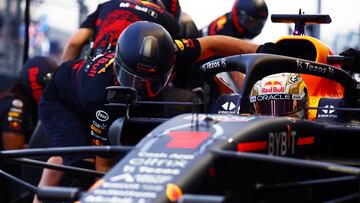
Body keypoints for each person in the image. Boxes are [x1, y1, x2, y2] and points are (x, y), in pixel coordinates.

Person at [34, 21, 265, 202]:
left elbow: (214, 44)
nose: (140, 88)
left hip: (108, 96)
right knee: (83, 170)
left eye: (149, 81)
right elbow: (103, 166)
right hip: (62, 99)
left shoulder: (171, 50)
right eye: (133, 79)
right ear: (118, 63)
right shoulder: (101, 98)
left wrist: (265, 50)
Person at [61, 0, 181, 63]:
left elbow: (74, 43)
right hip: (137, 84)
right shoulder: (169, 20)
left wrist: (62, 77)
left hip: (94, 71)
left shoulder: (108, 5)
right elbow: (175, 60)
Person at [200, 0, 268, 39]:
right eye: (250, 22)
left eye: (259, 24)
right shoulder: (225, 33)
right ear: (238, 15)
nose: (254, 27)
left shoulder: (230, 18)